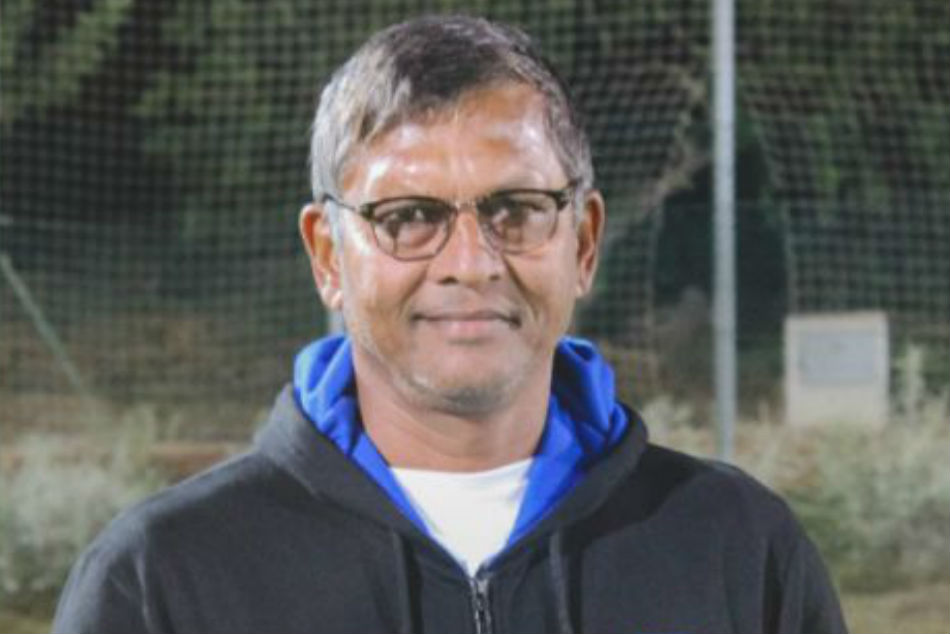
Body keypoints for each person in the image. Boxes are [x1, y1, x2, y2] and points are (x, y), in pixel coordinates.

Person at [53, 15, 847, 634]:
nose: (470, 262)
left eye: (516, 209)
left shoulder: (739, 549)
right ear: (327, 255)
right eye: (408, 217)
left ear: (583, 242)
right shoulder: (163, 580)